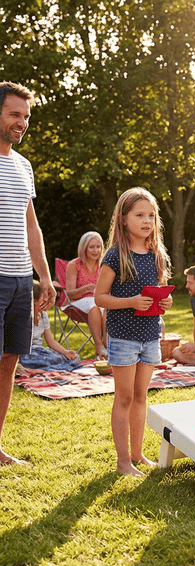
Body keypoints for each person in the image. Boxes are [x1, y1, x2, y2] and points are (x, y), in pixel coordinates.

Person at [95, 187, 172, 477]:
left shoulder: (156, 254)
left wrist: (167, 300)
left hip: (150, 336)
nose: (146, 220)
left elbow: (160, 291)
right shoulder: (115, 256)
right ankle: (123, 462)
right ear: (123, 218)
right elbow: (99, 297)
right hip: (123, 337)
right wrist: (129, 301)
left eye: (151, 215)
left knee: (141, 396)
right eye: (139, 215)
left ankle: (138, 455)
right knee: (124, 398)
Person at [0, 81, 56, 466]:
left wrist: (46, 277)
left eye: (26, 116)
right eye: (14, 114)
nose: (22, 122)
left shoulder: (23, 165)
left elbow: (30, 226)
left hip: (22, 281)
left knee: (10, 362)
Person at [18, 281, 81, 374]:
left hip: (40, 351)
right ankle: (32, 369)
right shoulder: (21, 317)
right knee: (47, 359)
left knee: (75, 358)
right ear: (34, 300)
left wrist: (65, 352)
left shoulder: (43, 315)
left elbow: (50, 341)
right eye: (43, 297)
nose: (46, 300)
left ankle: (42, 369)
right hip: (26, 354)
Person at [65, 231, 107, 360]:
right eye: (92, 247)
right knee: (93, 304)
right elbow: (70, 293)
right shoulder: (74, 265)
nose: (95, 251)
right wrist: (85, 289)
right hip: (76, 302)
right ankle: (99, 346)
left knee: (107, 306)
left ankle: (107, 343)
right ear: (84, 248)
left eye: (98, 247)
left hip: (98, 300)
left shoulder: (104, 265)